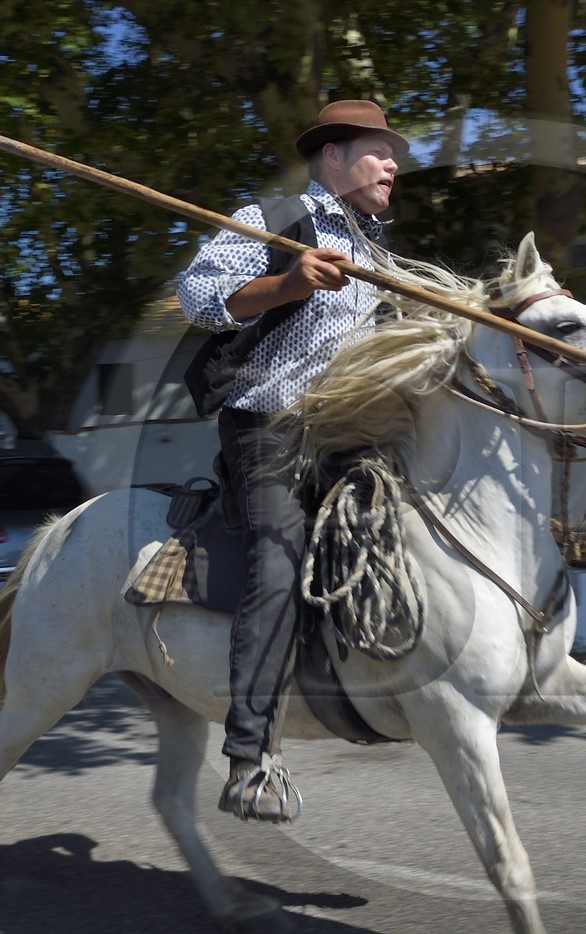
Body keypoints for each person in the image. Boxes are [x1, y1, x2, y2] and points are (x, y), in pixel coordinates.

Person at [176, 100, 407, 823]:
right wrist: (290, 282)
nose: (394, 164)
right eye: (378, 151)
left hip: (346, 435)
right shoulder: (271, 217)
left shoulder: (377, 257)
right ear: (333, 156)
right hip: (269, 427)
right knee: (279, 557)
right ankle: (251, 757)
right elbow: (196, 297)